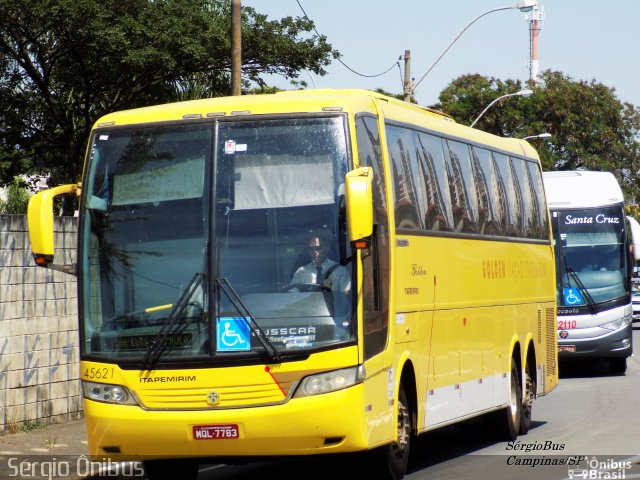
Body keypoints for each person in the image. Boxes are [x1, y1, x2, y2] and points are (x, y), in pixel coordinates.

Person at [288, 232, 352, 334]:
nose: (314, 252)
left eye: (318, 248)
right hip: (307, 321)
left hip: (333, 319)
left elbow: (346, 296)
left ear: (327, 248)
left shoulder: (340, 271)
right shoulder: (302, 271)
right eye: (311, 249)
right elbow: (291, 295)